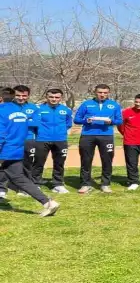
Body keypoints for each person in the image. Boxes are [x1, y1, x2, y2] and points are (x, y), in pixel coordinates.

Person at [0, 87, 61, 217]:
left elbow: (1, 135)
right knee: (19, 179)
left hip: (4, 151)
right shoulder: (20, 112)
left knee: (18, 178)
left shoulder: (1, 112)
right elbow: (23, 133)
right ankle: (48, 203)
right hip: (16, 150)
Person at [74, 84, 123, 193]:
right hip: (87, 135)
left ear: (108, 93)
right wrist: (86, 121)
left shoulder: (114, 105)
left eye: (105, 93)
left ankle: (105, 184)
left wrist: (112, 122)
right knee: (86, 160)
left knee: (107, 160)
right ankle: (85, 184)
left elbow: (119, 121)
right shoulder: (86, 104)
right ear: (95, 92)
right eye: (100, 92)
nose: (102, 95)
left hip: (106, 136)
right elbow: (76, 119)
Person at [31, 89, 74, 193]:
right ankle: (35, 183)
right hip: (42, 139)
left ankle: (58, 184)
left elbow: (68, 123)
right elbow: (35, 124)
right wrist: (42, 132)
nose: (54, 99)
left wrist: (61, 131)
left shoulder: (66, 110)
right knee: (39, 162)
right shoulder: (39, 109)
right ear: (46, 97)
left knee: (59, 163)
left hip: (60, 140)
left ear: (61, 98)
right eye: (51, 97)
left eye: (57, 97)